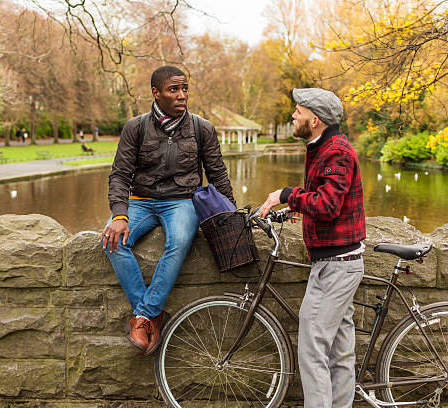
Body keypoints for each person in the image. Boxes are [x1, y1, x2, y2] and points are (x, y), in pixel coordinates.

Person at [100, 65, 235, 356]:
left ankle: (143, 316)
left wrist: (232, 216)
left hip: (182, 201)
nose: (182, 95)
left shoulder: (202, 128)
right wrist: (120, 214)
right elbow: (120, 175)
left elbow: (218, 176)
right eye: (174, 89)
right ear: (156, 93)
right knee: (111, 240)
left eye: (185, 88)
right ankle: (152, 315)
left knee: (181, 241)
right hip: (140, 200)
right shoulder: (135, 127)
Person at [260, 88, 366, 408]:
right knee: (340, 352)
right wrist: (300, 206)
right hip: (337, 261)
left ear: (314, 119)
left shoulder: (337, 151)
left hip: (336, 265)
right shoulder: (323, 146)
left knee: (312, 350)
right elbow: (321, 197)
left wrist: (288, 194)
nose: (293, 116)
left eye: (298, 111)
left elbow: (329, 204)